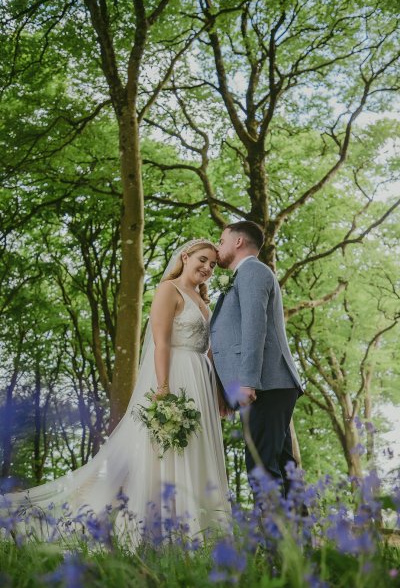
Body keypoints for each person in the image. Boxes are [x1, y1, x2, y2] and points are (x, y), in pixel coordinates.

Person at [1, 239, 230, 545]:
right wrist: (163, 389)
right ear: (185, 257)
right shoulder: (169, 290)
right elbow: (161, 343)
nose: (207, 268)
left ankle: (203, 529)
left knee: (194, 449)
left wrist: (218, 393)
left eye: (213, 264)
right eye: (203, 260)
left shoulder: (203, 301)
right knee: (167, 452)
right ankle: (161, 529)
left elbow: (210, 350)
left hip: (200, 379)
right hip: (176, 377)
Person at [210, 221, 303, 499]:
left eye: (221, 240)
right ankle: (299, 541)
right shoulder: (245, 275)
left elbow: (254, 328)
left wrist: (247, 382)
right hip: (270, 385)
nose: (218, 246)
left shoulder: (251, 271)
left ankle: (277, 542)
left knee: (261, 470)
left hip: (264, 385)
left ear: (238, 242)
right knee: (284, 470)